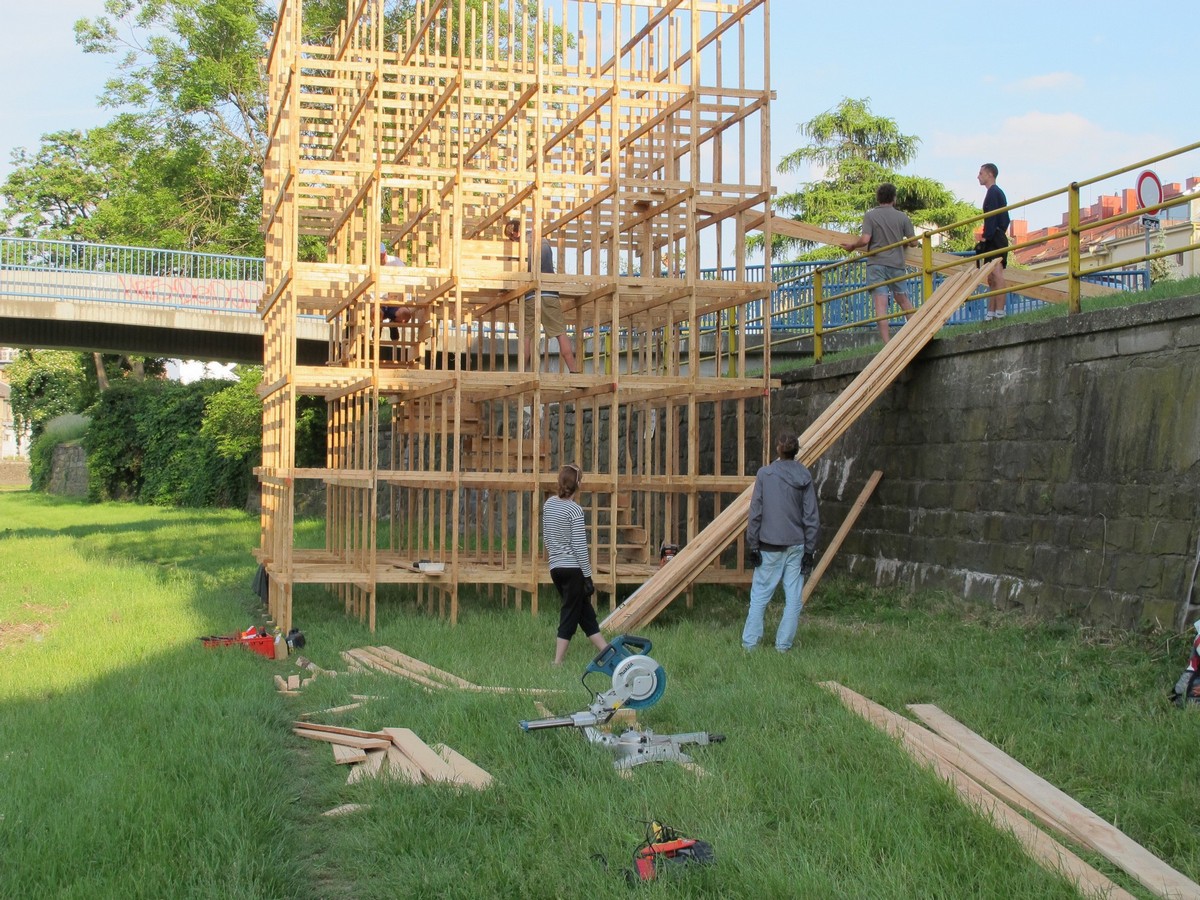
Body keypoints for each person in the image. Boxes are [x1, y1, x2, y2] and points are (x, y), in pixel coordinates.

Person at [742, 431, 820, 653]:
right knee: (794, 599)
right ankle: (783, 646)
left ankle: (750, 645)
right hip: (797, 545)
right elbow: (811, 517)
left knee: (760, 596)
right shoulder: (804, 475)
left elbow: (756, 512)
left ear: (778, 449)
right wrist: (809, 550)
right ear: (796, 451)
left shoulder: (765, 474)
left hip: (769, 545)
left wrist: (753, 544)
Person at [543, 464, 608, 665]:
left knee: (583, 611)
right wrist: (588, 576)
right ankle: (557, 662)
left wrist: (555, 556)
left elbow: (546, 537)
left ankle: (606, 651)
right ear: (578, 483)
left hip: (555, 568)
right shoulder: (575, 510)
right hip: (573, 570)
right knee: (570, 613)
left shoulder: (549, 504)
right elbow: (579, 546)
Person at [839, 183, 916, 343]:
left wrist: (852, 246)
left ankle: (887, 343)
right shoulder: (902, 217)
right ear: (894, 198)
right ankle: (916, 334)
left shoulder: (870, 216)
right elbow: (913, 242)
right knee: (903, 300)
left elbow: (865, 239)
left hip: (876, 264)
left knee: (881, 305)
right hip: (896, 264)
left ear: (878, 198)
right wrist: (902, 243)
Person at [504, 218, 578, 373]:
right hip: (550, 292)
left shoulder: (520, 248)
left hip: (529, 295)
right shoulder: (543, 242)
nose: (512, 241)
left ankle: (521, 373)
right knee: (560, 332)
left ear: (516, 233)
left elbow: (515, 273)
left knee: (527, 335)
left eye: (512, 237)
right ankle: (574, 370)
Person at [976, 163, 1011, 320]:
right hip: (994, 236)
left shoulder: (994, 192)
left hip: (995, 237)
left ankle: (1000, 311)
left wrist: (987, 236)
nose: (978, 176)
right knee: (991, 277)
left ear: (990, 174)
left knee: (996, 273)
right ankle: (991, 312)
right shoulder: (994, 192)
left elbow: (994, 218)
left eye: (981, 173)